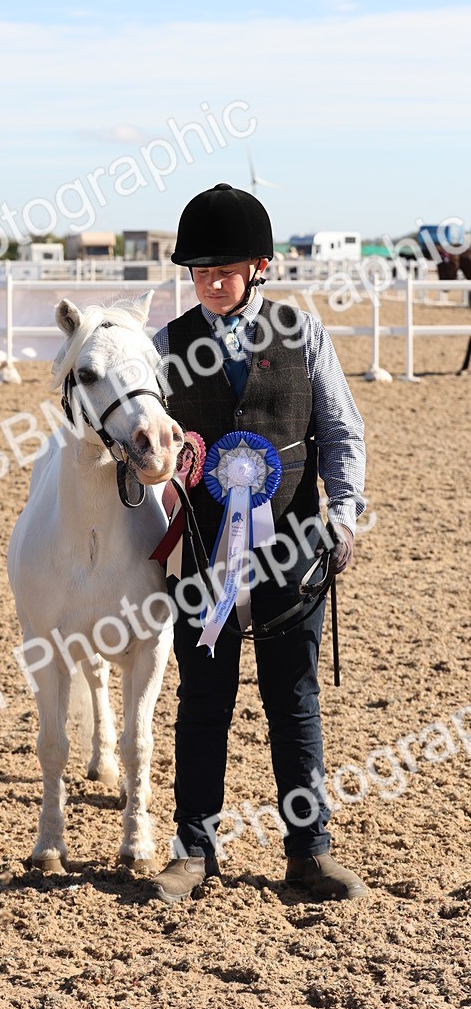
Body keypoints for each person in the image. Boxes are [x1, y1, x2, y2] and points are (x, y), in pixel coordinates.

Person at [150, 183, 367, 904]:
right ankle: (192, 850)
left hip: (294, 552)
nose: (210, 281)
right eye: (199, 270)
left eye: (225, 268)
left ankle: (310, 852)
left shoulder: (305, 334)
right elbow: (138, 450)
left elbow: (340, 432)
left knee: (294, 701)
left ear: (260, 266)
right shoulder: (164, 347)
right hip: (201, 555)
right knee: (201, 702)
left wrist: (343, 521)